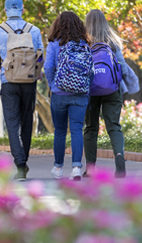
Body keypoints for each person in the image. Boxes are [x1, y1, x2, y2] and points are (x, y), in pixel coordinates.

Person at [0, 0, 44, 181]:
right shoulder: (33, 30)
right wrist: (36, 72)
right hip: (29, 82)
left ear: (5, 11)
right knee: (27, 120)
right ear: (22, 9)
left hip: (8, 82)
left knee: (12, 123)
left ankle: (20, 164)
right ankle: (23, 159)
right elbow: (40, 58)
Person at [83, 9, 139, 178]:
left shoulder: (84, 42)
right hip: (112, 89)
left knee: (91, 128)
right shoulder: (113, 42)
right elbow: (121, 67)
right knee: (114, 126)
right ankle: (119, 158)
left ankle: (91, 168)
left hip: (90, 91)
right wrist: (131, 84)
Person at [44, 11, 92, 180]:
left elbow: (48, 67)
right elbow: (90, 71)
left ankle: (58, 168)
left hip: (59, 93)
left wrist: (53, 85)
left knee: (60, 131)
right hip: (80, 93)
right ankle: (77, 168)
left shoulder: (54, 44)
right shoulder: (85, 44)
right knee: (77, 129)